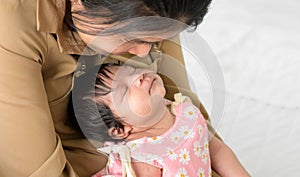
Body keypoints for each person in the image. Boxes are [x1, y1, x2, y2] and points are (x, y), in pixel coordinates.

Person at [0, 0, 245, 176]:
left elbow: (181, 104)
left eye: (155, 40)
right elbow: (38, 171)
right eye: (132, 40)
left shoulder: (159, 8)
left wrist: (203, 159)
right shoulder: (11, 28)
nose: (145, 52)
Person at [73, 63, 250, 177]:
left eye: (131, 70)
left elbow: (217, 151)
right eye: (125, 90)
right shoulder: (143, 157)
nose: (137, 77)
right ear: (120, 129)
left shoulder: (184, 111)